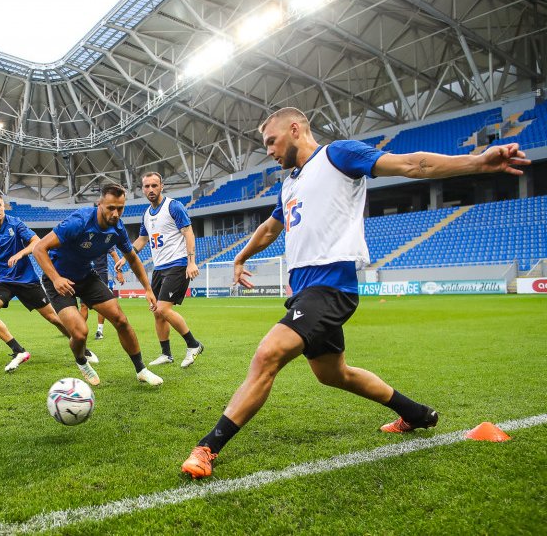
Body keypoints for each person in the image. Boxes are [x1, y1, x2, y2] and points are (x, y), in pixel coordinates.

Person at [180, 107, 530, 479]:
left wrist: (477, 162)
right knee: (334, 374)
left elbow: (414, 165)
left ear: (295, 129)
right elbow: (270, 227)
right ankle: (415, 413)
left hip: (331, 286)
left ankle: (207, 447)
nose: (268, 150)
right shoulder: (290, 184)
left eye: (271, 141)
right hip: (305, 291)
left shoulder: (338, 155)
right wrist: (240, 257)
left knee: (268, 355)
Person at [33, 184, 164, 387]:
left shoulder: (117, 229)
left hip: (86, 276)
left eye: (120, 208)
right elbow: (39, 248)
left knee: (120, 319)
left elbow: (133, 258)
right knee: (79, 333)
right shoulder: (79, 221)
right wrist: (57, 279)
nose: (115, 213)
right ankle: (81, 361)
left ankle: (141, 369)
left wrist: (147, 289)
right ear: (99, 203)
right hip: (58, 279)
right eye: (110, 207)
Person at [0, 193, 91, 372]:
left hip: (26, 279)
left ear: (3, 206)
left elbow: (36, 242)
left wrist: (20, 253)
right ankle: (18, 350)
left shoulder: (15, 223)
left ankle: (83, 348)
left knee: (54, 318)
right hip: (3, 281)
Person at [116, 172, 203, 367]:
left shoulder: (174, 206)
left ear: (161, 186)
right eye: (147, 186)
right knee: (157, 311)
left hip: (177, 264)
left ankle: (193, 344)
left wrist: (191, 261)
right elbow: (142, 240)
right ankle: (166, 354)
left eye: (154, 185)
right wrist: (125, 257)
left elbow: (188, 232)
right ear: (142, 189)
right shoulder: (146, 214)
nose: (151, 190)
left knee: (164, 308)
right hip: (159, 268)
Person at [80, 249, 125, 340]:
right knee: (83, 305)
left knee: (101, 304)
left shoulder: (104, 235)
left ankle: (99, 331)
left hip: (100, 272)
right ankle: (79, 330)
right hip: (85, 272)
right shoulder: (82, 236)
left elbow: (114, 254)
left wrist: (119, 272)